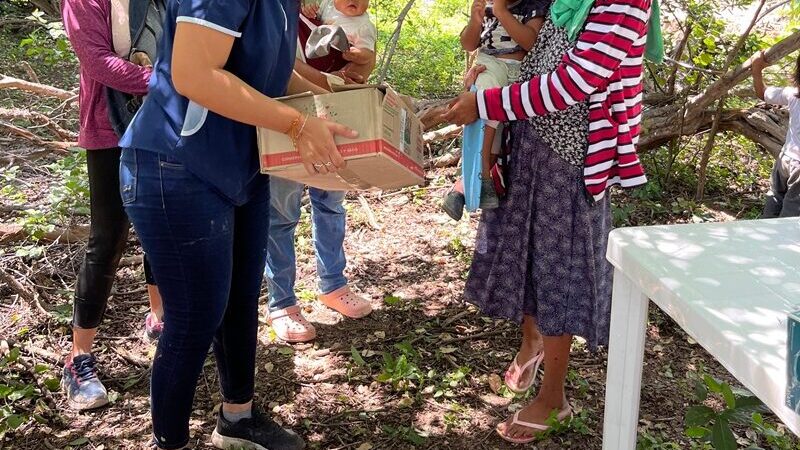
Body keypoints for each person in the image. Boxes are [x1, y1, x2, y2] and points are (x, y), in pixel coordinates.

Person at [117, 0, 355, 447]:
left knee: (241, 300)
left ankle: (238, 419)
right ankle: (170, 441)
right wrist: (297, 125)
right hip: (176, 165)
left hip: (241, 166)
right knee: (192, 318)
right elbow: (193, 73)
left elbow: (275, 73)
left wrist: (343, 98)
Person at [445, 0, 660, 443]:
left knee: (558, 269)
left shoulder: (624, 3)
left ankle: (554, 399)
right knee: (529, 257)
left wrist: (488, 102)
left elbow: (575, 82)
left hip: (571, 157)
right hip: (533, 138)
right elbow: (534, 53)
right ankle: (533, 343)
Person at [60, 0, 164, 411]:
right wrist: (169, 80)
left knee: (160, 225)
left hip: (160, 122)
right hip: (109, 126)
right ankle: (78, 357)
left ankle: (160, 319)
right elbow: (98, 62)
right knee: (108, 239)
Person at [264, 10, 376, 344]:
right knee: (281, 214)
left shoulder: (332, 13)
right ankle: (282, 302)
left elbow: (360, 62)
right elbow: (280, 62)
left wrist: (355, 72)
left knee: (331, 203)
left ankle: (333, 285)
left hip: (331, 115)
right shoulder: (275, 13)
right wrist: (331, 84)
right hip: (285, 117)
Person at [443, 0, 549, 221]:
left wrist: (501, 11)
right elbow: (468, 43)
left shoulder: (533, 4)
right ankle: (479, 175)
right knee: (486, 104)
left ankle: (468, 185)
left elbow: (532, 42)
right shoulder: (487, 5)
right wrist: (475, 20)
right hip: (490, 64)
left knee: (497, 132)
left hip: (520, 71)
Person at [752, 51, 800, 218]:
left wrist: (756, 67)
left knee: (775, 198)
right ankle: (781, 242)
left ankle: (765, 235)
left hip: (785, 159)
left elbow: (762, 93)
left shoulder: (793, 94)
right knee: (791, 217)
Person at [300, 0, 376, 83]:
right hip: (314, 48)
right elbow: (314, 14)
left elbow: (368, 54)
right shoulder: (328, 5)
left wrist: (357, 55)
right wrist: (309, 10)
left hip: (337, 60)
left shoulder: (364, 26)